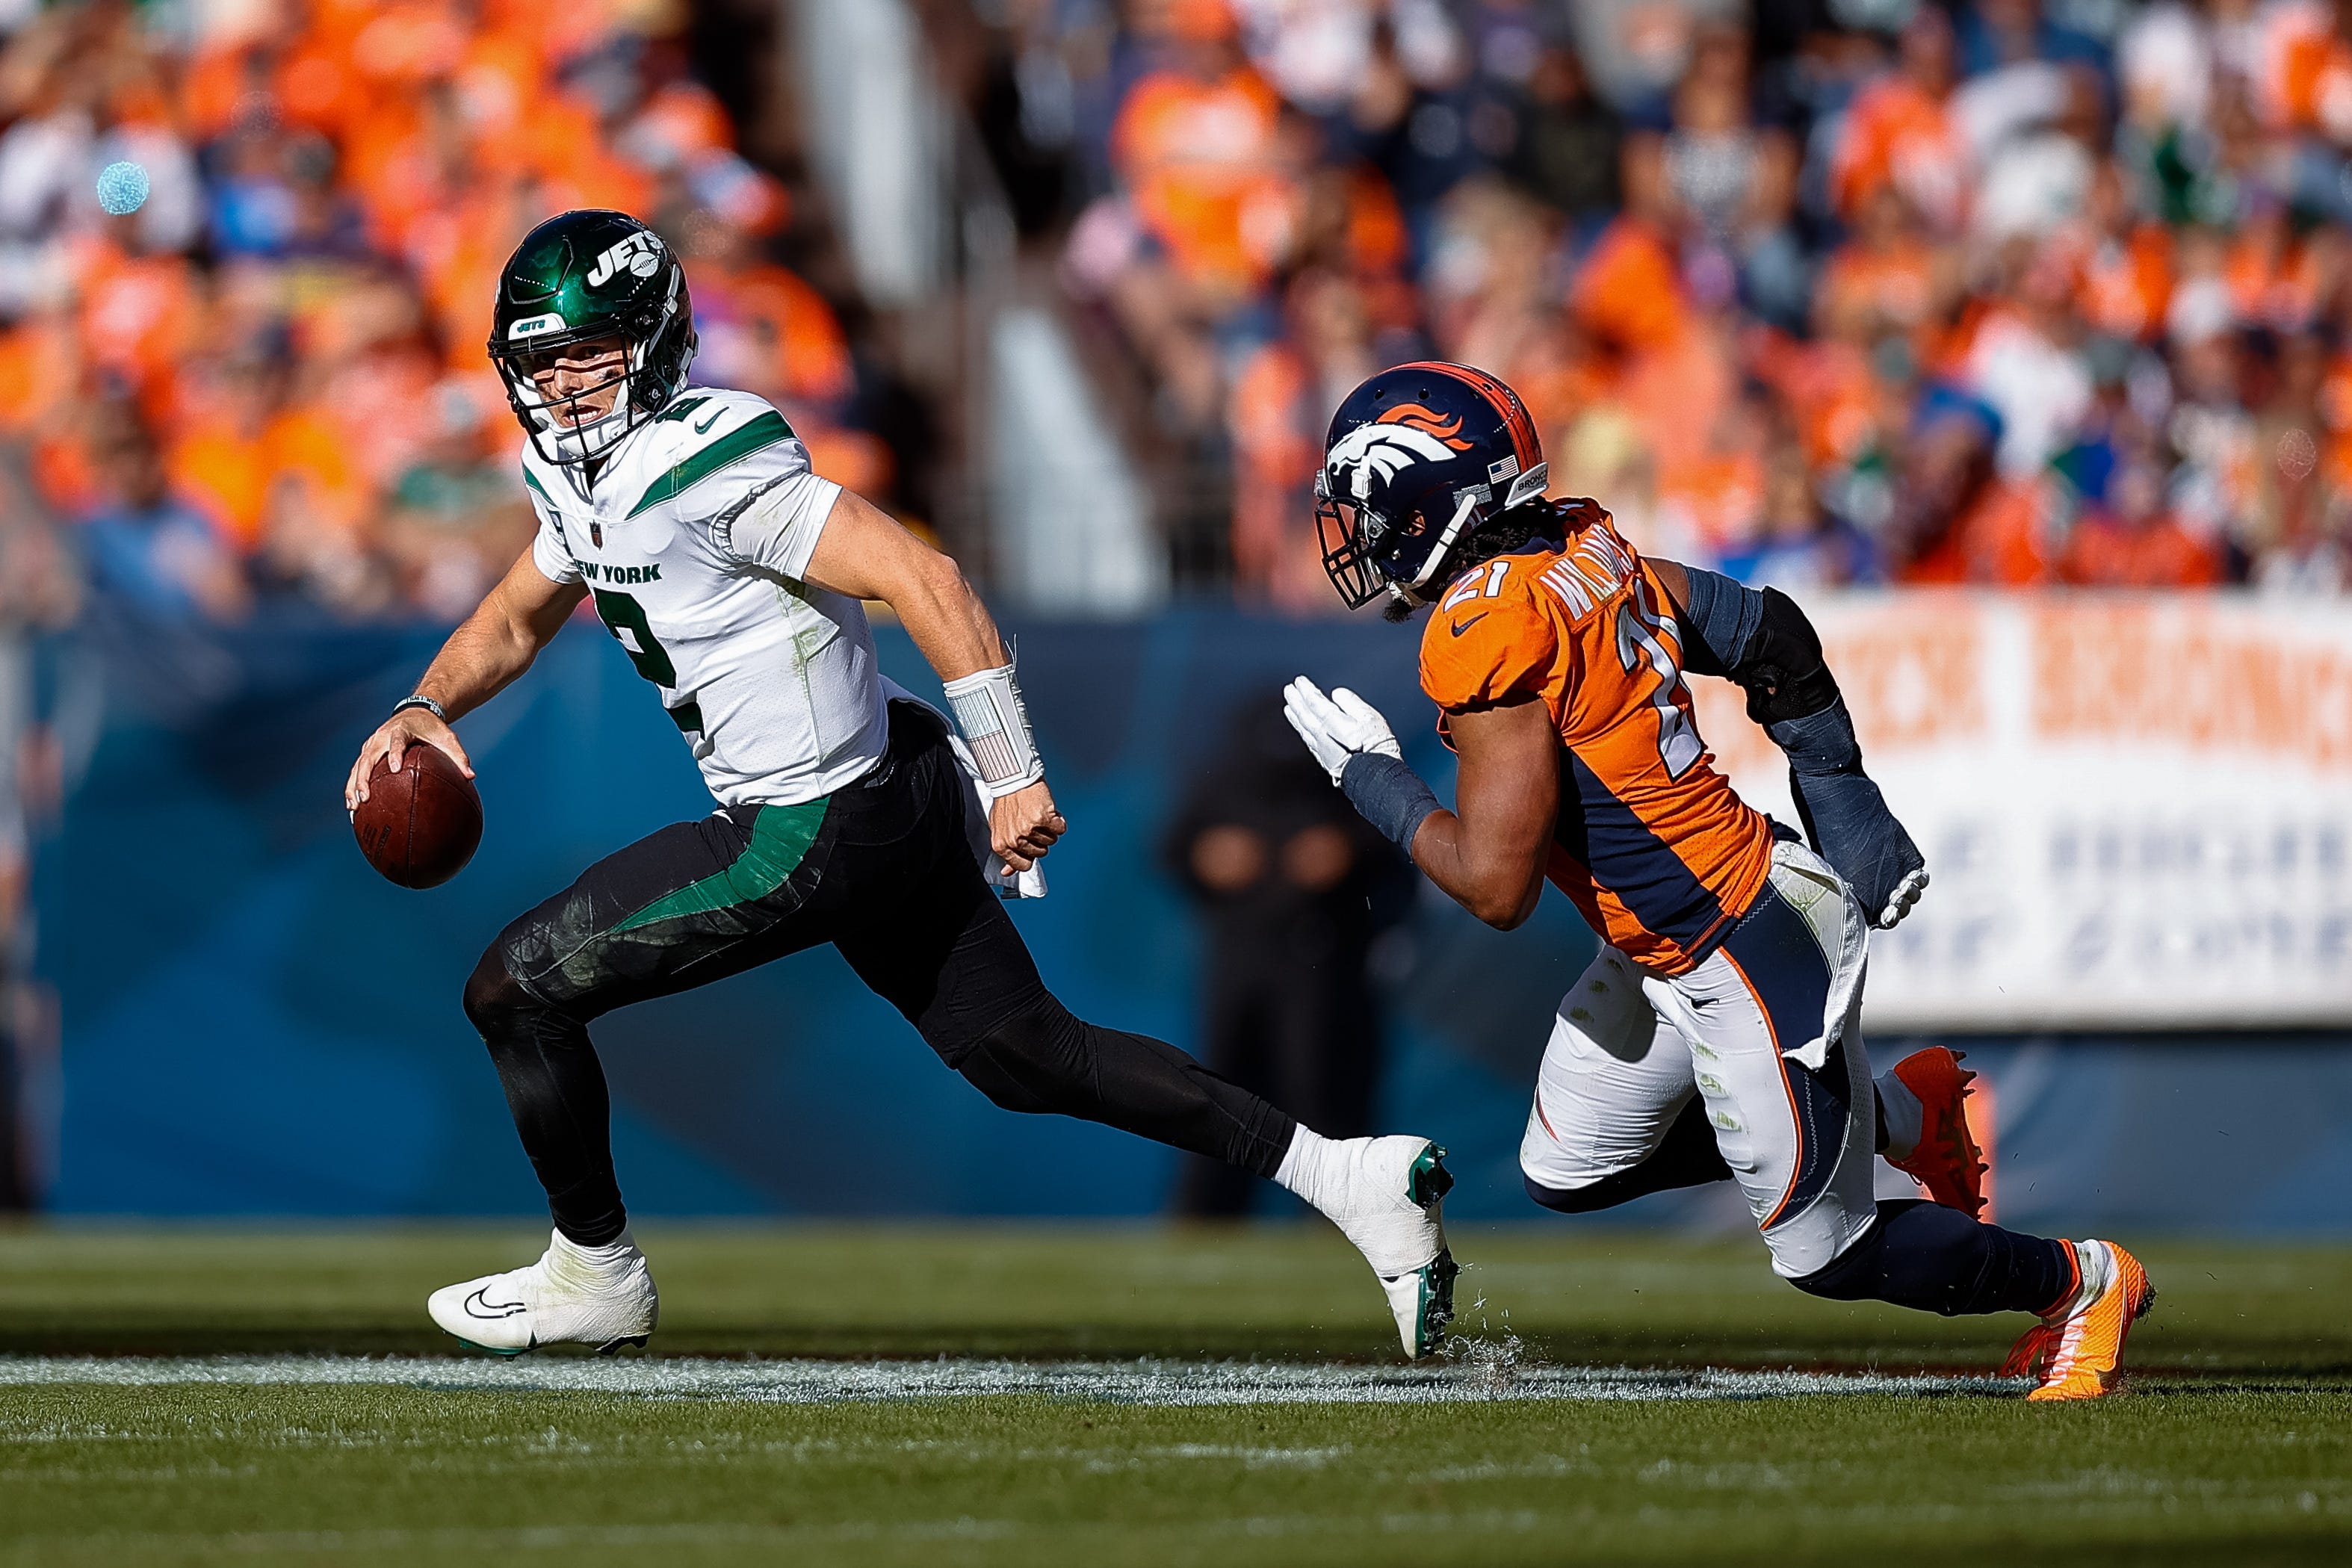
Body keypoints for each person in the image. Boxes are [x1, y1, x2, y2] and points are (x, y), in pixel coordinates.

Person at [343, 211, 1458, 1360]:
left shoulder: (702, 457)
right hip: (890, 785)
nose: (566, 386)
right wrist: (423, 700)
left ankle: (596, 1272)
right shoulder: (572, 473)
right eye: (542, 362)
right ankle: (1351, 1174)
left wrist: (1017, 769)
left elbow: (920, 574)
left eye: (590, 354)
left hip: (814, 821)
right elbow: (520, 610)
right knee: (1033, 1056)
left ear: (657, 341)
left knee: (513, 989)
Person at [1281, 361, 2153, 1401]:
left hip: (1744, 939)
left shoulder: (1486, 626)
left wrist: (1374, 784)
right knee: (1570, 1166)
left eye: (1369, 507)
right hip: (1667, 941)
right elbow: (1766, 631)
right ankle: (1900, 1117)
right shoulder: (1579, 542)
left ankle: (2082, 1276)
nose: (1362, 536)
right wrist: (1838, 783)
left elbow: (1496, 887)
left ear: (1425, 497)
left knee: (1830, 1253)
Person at [1161, 692, 1412, 1217]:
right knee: (1223, 1097)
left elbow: (1398, 862)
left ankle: (1343, 1220)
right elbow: (1173, 848)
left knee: (1325, 1095)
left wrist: (1345, 851)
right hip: (1240, 961)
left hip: (1324, 966)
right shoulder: (1224, 784)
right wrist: (1207, 856)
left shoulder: (1347, 785)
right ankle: (1206, 1221)